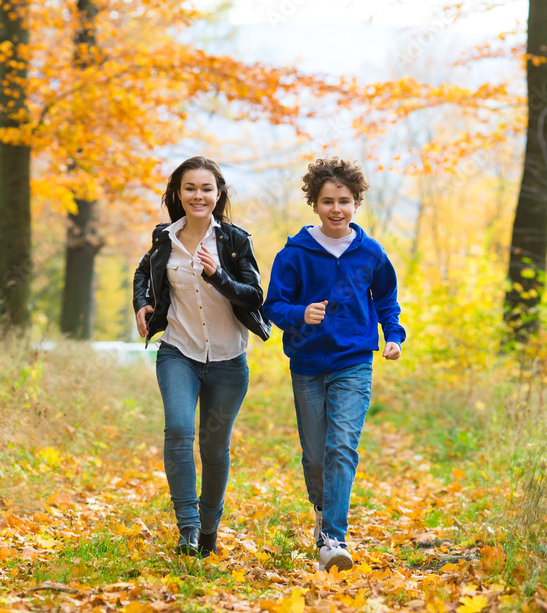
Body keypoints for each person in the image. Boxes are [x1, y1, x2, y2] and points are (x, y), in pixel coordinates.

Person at [262, 157, 405, 572]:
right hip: (306, 363)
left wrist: (392, 337)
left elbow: (386, 301)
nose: (336, 209)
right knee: (315, 456)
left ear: (357, 203)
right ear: (315, 204)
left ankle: (333, 537)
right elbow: (274, 305)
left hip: (354, 361)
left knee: (341, 446)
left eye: (344, 200)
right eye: (328, 201)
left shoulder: (370, 253)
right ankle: (324, 512)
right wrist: (299, 315)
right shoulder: (295, 254)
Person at [133, 156, 271, 558]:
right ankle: (188, 528)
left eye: (206, 188)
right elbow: (144, 272)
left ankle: (209, 528)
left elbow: (254, 296)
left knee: (213, 449)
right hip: (179, 351)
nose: (198, 195)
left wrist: (217, 276)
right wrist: (141, 303)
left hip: (229, 360)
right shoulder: (165, 238)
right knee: (178, 430)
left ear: (218, 194)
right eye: (190, 188)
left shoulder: (233, 240)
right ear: (178, 193)